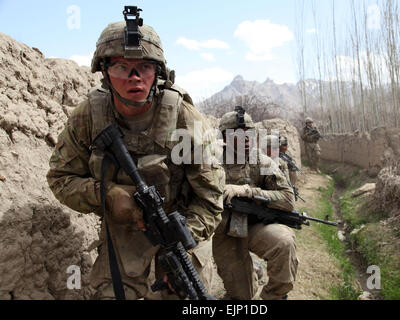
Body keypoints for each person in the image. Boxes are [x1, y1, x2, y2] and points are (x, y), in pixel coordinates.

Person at [46, 8, 224, 300]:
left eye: (144, 67)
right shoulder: (89, 116)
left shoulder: (185, 119)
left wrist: (181, 241)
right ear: (104, 72)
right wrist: (106, 194)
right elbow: (60, 178)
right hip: (125, 231)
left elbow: (211, 199)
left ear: (158, 73)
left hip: (183, 224)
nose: (134, 78)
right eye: (121, 67)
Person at [212, 108, 298, 300]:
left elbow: (288, 199)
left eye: (249, 133)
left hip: (254, 226)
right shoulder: (212, 163)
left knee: (284, 242)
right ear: (225, 136)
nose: (247, 138)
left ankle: (273, 297)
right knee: (241, 297)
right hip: (224, 232)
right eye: (239, 134)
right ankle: (253, 272)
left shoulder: (261, 161)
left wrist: (249, 192)